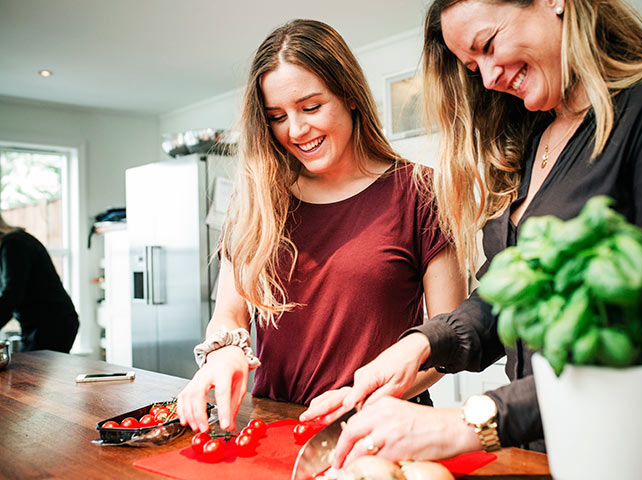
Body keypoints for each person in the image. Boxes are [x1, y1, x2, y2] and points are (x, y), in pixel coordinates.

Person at [301, 0, 642, 477]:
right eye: (471, 65)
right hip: (541, 453)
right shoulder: (536, 139)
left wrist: (465, 423)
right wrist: (418, 345)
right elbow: (509, 295)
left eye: (487, 45)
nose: (487, 78)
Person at [176, 19, 467, 434]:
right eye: (277, 116)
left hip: (385, 424)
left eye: (311, 107)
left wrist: (362, 397)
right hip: (275, 426)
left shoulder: (421, 191)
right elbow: (229, 312)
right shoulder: (258, 200)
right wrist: (224, 351)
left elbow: (448, 339)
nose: (296, 131)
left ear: (349, 95)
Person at [0, 213, 79, 352]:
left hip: (52, 324)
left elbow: (12, 295)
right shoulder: (10, 244)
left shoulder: (14, 244)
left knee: (31, 372)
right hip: (41, 324)